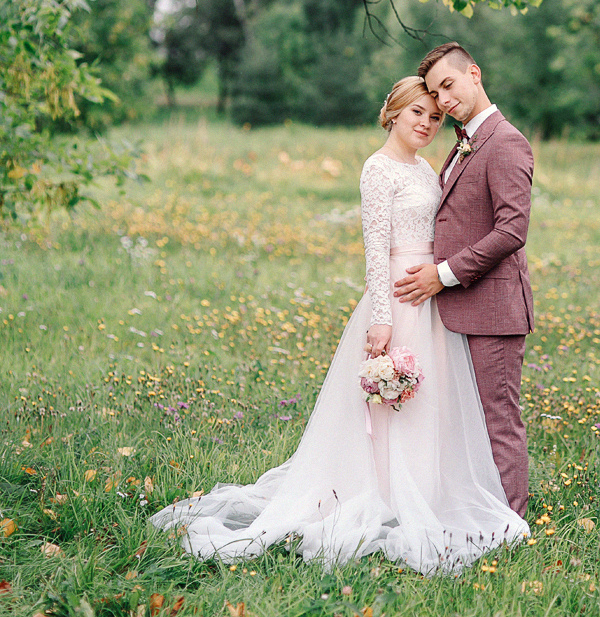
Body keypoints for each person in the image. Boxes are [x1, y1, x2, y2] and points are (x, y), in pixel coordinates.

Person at [150, 76, 529, 574]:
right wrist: (380, 318)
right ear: (393, 112)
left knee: (430, 401)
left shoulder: (425, 169)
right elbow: (375, 250)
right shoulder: (378, 169)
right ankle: (384, 495)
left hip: (434, 295)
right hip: (397, 294)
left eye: (435, 117)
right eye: (417, 113)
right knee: (392, 406)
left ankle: (427, 491)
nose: (427, 124)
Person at [394, 43, 535, 518]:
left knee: (497, 420)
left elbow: (512, 230)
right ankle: (476, 511)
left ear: (474, 73)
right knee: (464, 420)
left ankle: (510, 523)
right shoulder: (463, 141)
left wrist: (443, 274)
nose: (444, 99)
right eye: (435, 93)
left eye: (449, 85)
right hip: (459, 309)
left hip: (492, 309)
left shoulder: (506, 141)